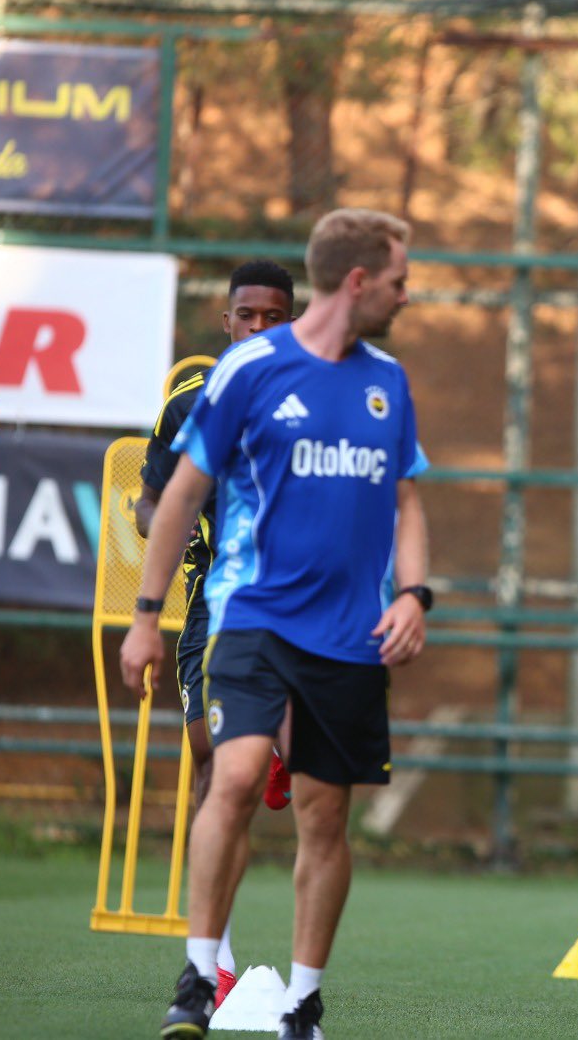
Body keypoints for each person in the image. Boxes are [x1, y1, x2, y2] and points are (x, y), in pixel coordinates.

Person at [121, 208, 432, 1040]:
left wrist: (413, 595)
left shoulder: (387, 381)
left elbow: (406, 499)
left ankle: (303, 1002)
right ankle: (197, 978)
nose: (408, 295)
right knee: (231, 774)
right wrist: (146, 617)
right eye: (400, 280)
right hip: (249, 615)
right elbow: (180, 495)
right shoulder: (248, 372)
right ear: (360, 281)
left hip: (350, 634)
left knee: (325, 818)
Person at [135, 259, 297, 1008]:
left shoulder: (313, 396)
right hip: (213, 601)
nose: (259, 329)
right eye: (247, 316)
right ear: (225, 321)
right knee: (205, 756)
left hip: (299, 600)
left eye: (274, 317)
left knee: (294, 768)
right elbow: (150, 502)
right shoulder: (188, 402)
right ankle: (217, 960)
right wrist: (169, 516)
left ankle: (273, 748)